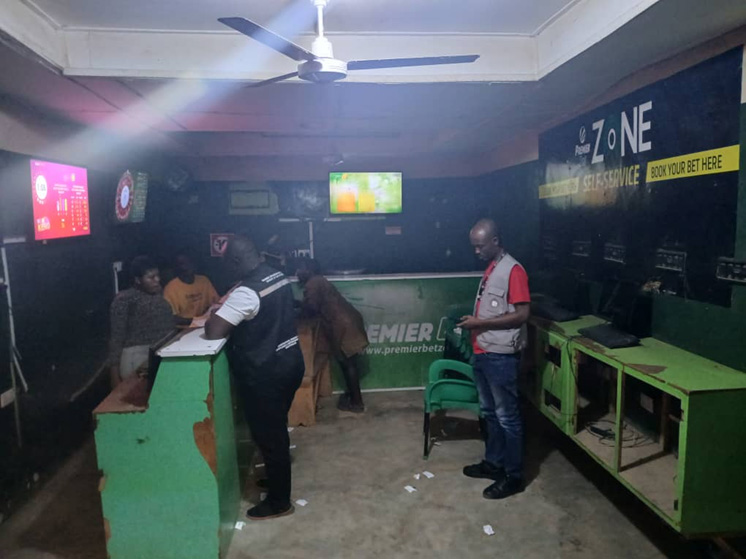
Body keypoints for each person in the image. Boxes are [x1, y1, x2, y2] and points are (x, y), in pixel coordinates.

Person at [205, 236, 304, 521]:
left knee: (270, 437)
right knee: (275, 430)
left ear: (236, 261)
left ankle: (279, 502)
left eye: (227, 263)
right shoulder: (276, 275)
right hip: (290, 363)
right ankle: (276, 480)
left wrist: (217, 313)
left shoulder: (247, 292)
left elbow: (213, 331)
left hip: (266, 373)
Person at [457, 218, 531, 500]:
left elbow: (522, 314)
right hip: (483, 351)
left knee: (507, 418)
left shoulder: (514, 271)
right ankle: (494, 463)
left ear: (495, 241)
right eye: (474, 246)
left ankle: (513, 476)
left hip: (500, 356)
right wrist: (476, 322)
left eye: (480, 246)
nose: (476, 251)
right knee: (489, 413)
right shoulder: (493, 267)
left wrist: (480, 323)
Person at [296, 258, 369, 413]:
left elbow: (312, 308)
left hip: (343, 326)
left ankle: (357, 403)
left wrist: (296, 307)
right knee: (347, 363)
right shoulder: (318, 280)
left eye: (300, 268)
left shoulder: (313, 283)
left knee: (348, 364)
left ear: (308, 270)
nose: (297, 272)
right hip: (346, 323)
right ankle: (353, 396)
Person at [108, 256, 175, 388]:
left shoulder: (157, 294)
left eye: (157, 276)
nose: (157, 280)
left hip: (157, 352)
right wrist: (114, 376)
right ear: (137, 280)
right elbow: (116, 338)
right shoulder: (124, 299)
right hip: (136, 357)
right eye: (151, 277)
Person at [163, 253, 219, 321]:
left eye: (189, 262)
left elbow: (216, 303)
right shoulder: (170, 288)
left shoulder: (204, 281)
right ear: (176, 267)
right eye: (182, 263)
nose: (187, 266)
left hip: (205, 322)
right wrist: (196, 321)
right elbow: (172, 318)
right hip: (185, 326)